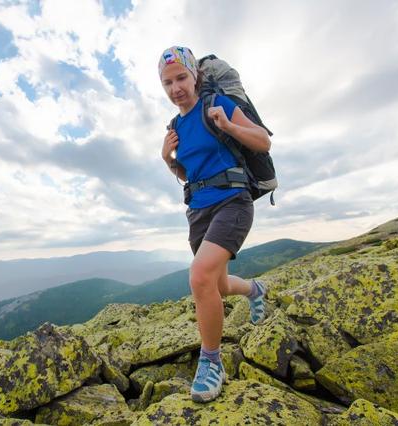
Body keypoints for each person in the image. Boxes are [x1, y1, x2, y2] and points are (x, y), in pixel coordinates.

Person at [158, 46, 272, 403]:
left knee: (199, 276)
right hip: (199, 211)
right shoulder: (175, 126)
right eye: (167, 83)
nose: (176, 88)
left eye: (181, 78)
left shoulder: (216, 105)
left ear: (195, 76)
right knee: (217, 285)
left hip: (233, 202)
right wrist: (167, 159)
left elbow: (264, 140)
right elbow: (187, 173)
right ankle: (255, 290)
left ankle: (211, 362)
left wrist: (228, 126)